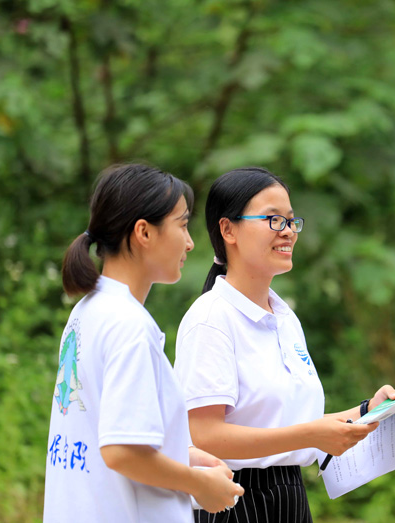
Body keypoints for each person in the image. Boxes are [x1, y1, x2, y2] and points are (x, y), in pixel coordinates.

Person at [174, 167, 395, 523]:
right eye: (272, 219)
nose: (287, 232)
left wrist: (365, 412)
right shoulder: (211, 319)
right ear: (227, 229)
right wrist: (311, 434)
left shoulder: (284, 318)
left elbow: (293, 422)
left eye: (291, 221)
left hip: (290, 497)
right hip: (234, 501)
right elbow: (204, 436)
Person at [44, 164, 244, 523]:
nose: (190, 241)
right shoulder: (128, 325)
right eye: (182, 225)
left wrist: (181, 456)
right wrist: (198, 483)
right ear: (143, 233)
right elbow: (122, 452)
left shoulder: (87, 311)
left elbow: (111, 435)